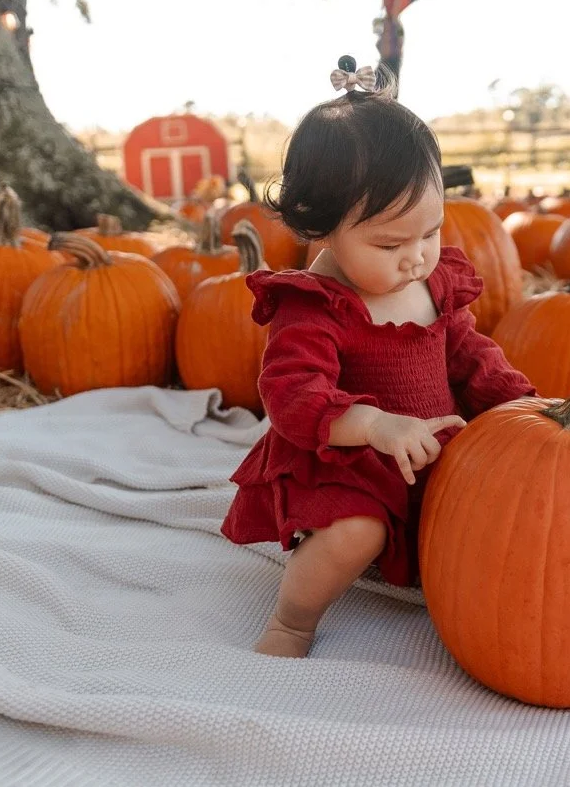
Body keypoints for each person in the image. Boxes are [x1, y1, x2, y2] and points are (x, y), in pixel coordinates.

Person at [222, 56, 536, 658]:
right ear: (323, 228)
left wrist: (523, 405)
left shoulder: (432, 282)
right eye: (391, 243)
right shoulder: (315, 308)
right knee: (356, 531)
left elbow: (469, 357)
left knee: (511, 507)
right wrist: (375, 425)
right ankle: (292, 621)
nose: (416, 256)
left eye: (430, 232)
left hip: (434, 452)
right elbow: (294, 399)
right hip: (354, 464)